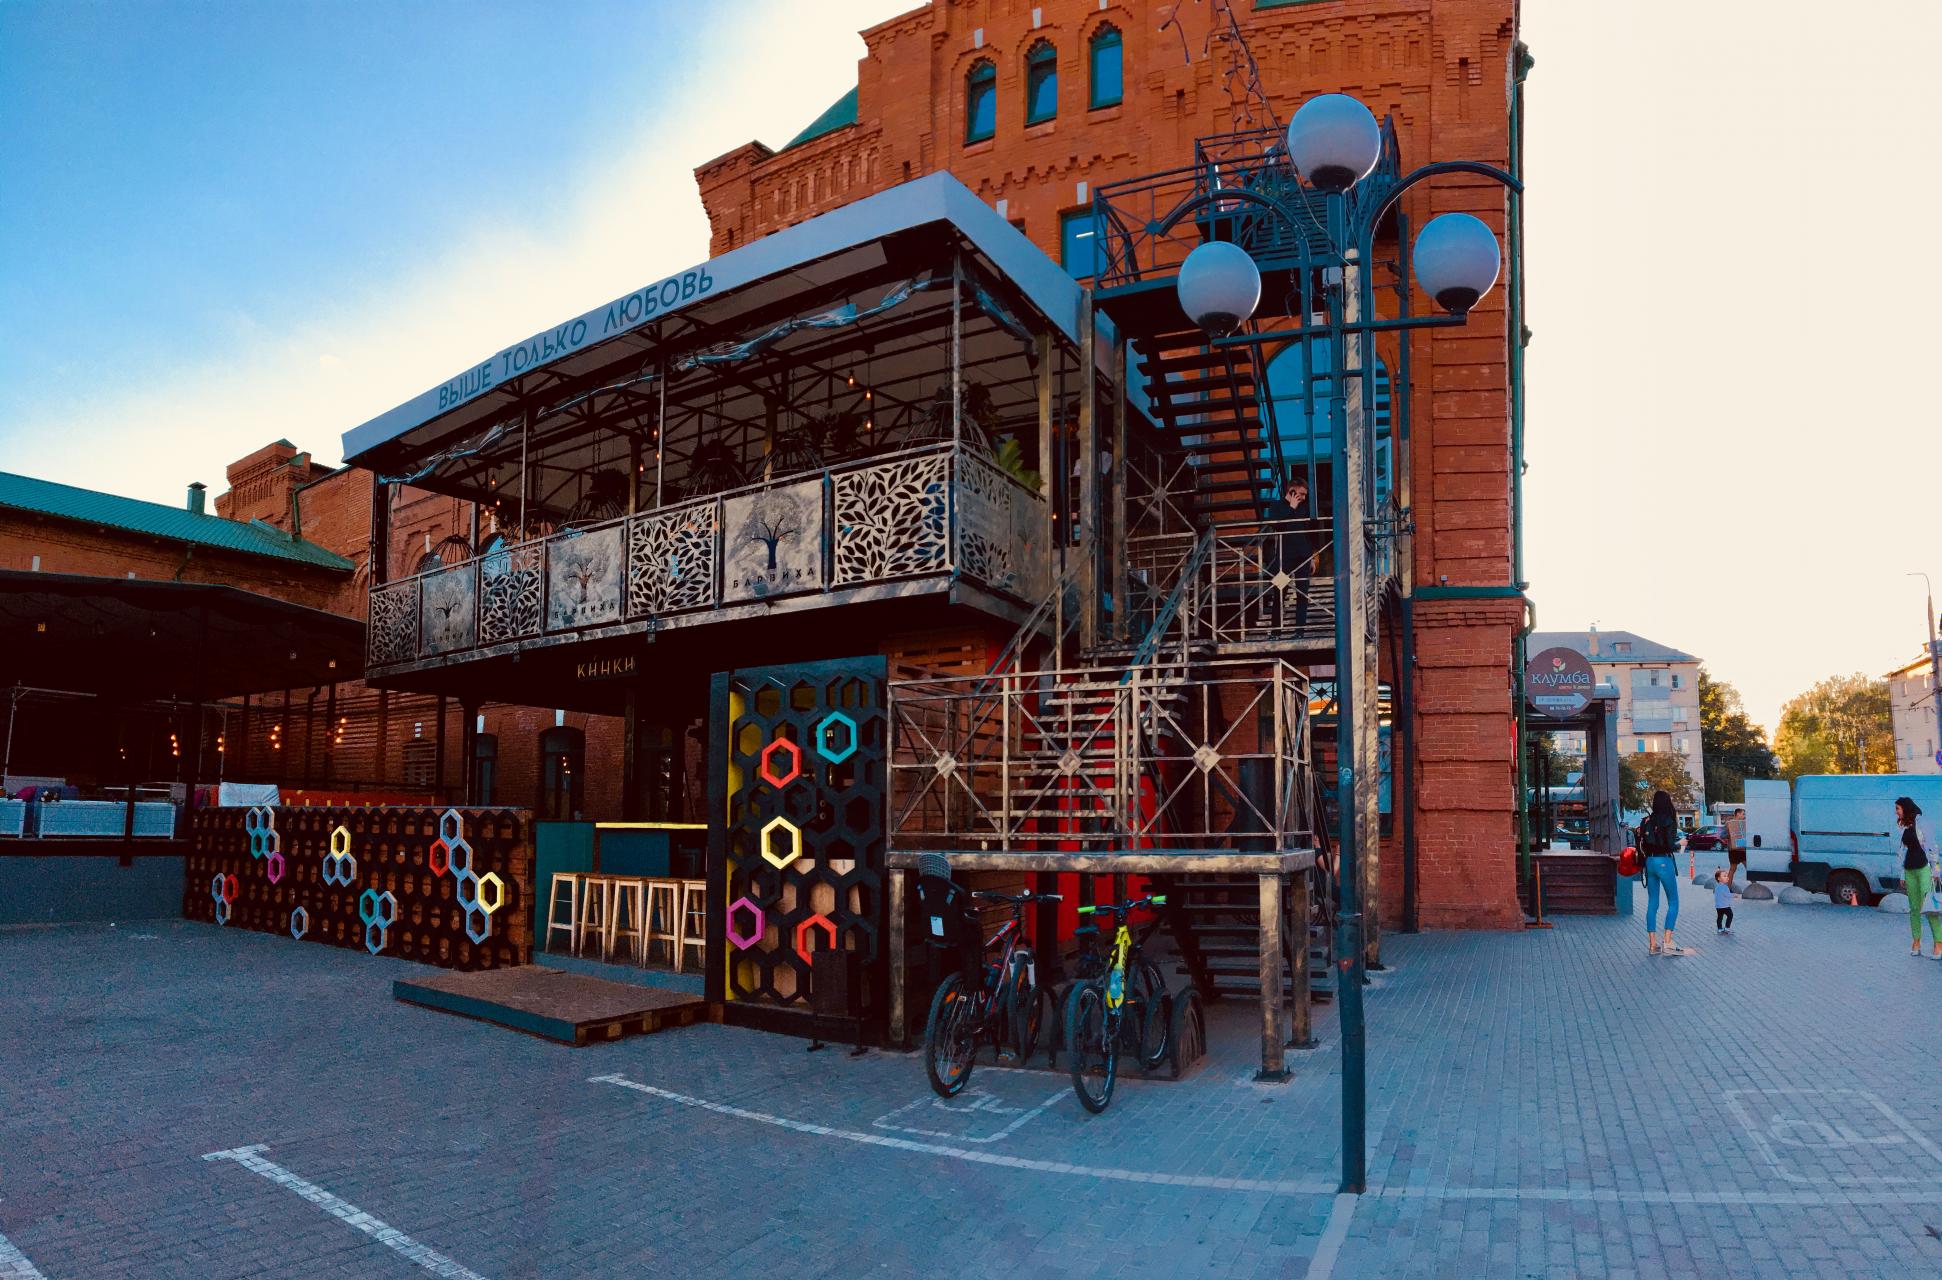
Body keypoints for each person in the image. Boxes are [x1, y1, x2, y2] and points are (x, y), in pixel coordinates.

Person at [1639, 789, 1686, 956]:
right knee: (1673, 901)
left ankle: (1653, 945)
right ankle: (1667, 942)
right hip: (1664, 862)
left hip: (1649, 862)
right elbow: (1669, 845)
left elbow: (1643, 843)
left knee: (1653, 903)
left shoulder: (1646, 820)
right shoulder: (1668, 819)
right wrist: (1681, 843)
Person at [1894, 797, 1941, 958]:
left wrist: (1936, 871)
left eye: (1898, 808)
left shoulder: (1922, 823)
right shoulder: (1903, 826)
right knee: (1914, 908)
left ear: (1906, 808)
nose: (1896, 812)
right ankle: (1916, 941)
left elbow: (1933, 848)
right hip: (1909, 871)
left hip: (1924, 869)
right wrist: (1902, 874)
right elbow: (1903, 851)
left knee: (1928, 907)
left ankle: (1938, 943)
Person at [1713, 868, 1735, 935]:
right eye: (1724, 876)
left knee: (1720, 917)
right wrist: (1734, 895)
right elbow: (1727, 894)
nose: (1727, 877)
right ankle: (1727, 928)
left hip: (1718, 906)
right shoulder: (1724, 887)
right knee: (1730, 915)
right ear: (1719, 878)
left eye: (1727, 876)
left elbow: (1717, 896)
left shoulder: (1717, 887)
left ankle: (1719, 929)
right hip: (1725, 906)